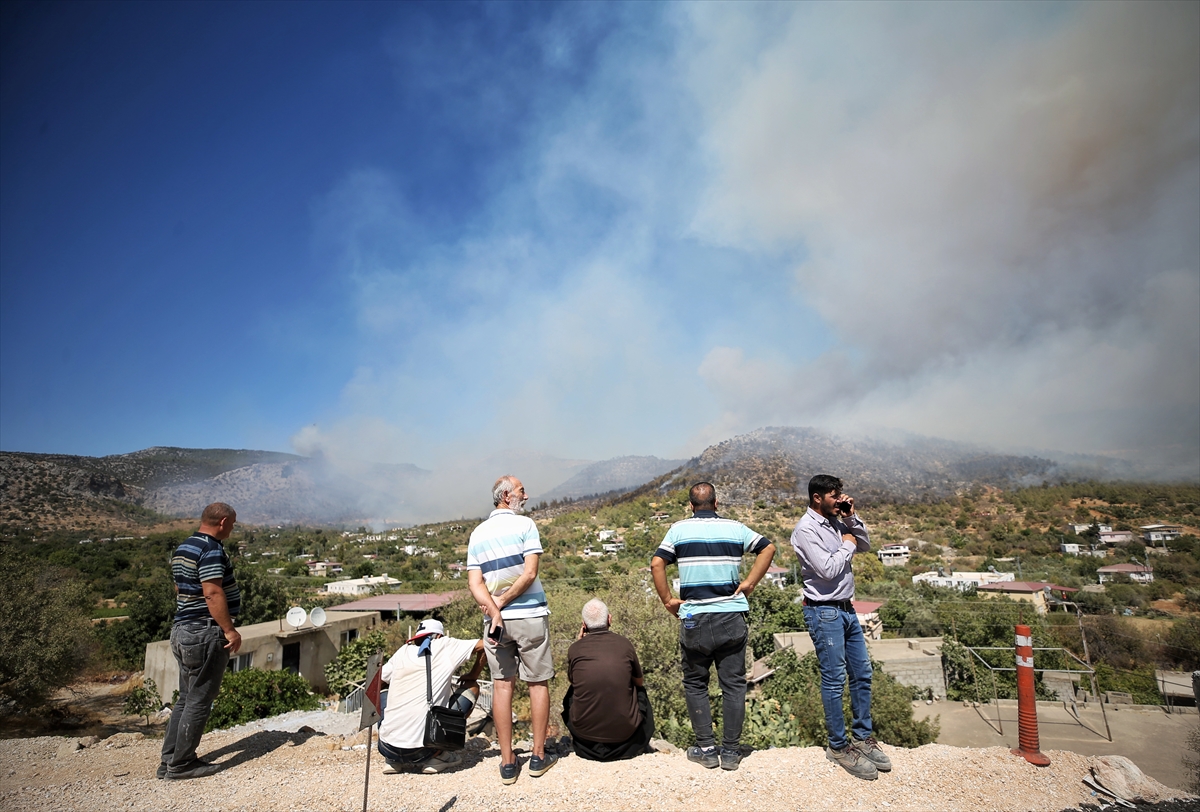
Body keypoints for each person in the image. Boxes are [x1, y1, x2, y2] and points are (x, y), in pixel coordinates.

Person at [651, 482, 776, 772]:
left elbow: (658, 564)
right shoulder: (735, 528)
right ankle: (730, 752)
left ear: (691, 506)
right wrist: (750, 583)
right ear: (716, 503)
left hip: (695, 618)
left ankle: (706, 749)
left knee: (696, 684)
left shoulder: (679, 530)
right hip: (731, 616)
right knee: (733, 685)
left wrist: (669, 600)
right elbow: (767, 548)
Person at [791, 473, 892, 780]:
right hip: (824, 613)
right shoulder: (806, 530)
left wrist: (852, 519)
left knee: (862, 673)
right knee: (834, 681)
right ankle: (838, 746)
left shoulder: (837, 521)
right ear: (817, 497)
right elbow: (828, 569)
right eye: (835, 496)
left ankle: (862, 738)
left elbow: (864, 545)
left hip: (846, 610)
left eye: (841, 495)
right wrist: (847, 543)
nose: (840, 500)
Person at [466, 475, 556, 784]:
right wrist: (503, 600)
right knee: (537, 683)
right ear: (506, 495)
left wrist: (494, 609)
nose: (526, 495)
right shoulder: (525, 525)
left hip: (494, 624)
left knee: (502, 686)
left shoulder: (477, 534)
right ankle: (538, 755)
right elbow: (530, 572)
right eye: (521, 490)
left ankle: (507, 763)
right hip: (529, 615)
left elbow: (475, 584)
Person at [158, 502, 241, 780]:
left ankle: (170, 759)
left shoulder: (185, 547)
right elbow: (213, 592)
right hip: (204, 632)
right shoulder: (211, 549)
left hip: (182, 630)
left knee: (186, 698)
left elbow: (179, 587)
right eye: (233, 523)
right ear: (223, 521)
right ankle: (181, 764)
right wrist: (229, 630)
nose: (232, 528)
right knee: (200, 699)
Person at [377, 619, 485, 774]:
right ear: (439, 636)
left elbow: (377, 683)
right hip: (424, 751)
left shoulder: (402, 651)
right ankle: (439, 756)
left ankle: (394, 761)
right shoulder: (445, 646)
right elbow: (487, 644)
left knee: (383, 695)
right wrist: (473, 674)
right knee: (472, 688)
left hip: (387, 748)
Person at [562, 598, 655, 762]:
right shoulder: (624, 644)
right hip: (626, 735)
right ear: (609, 619)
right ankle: (636, 743)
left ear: (584, 624)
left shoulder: (575, 649)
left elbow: (574, 681)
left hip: (585, 739)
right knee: (638, 689)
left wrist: (579, 644)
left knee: (572, 692)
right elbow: (639, 683)